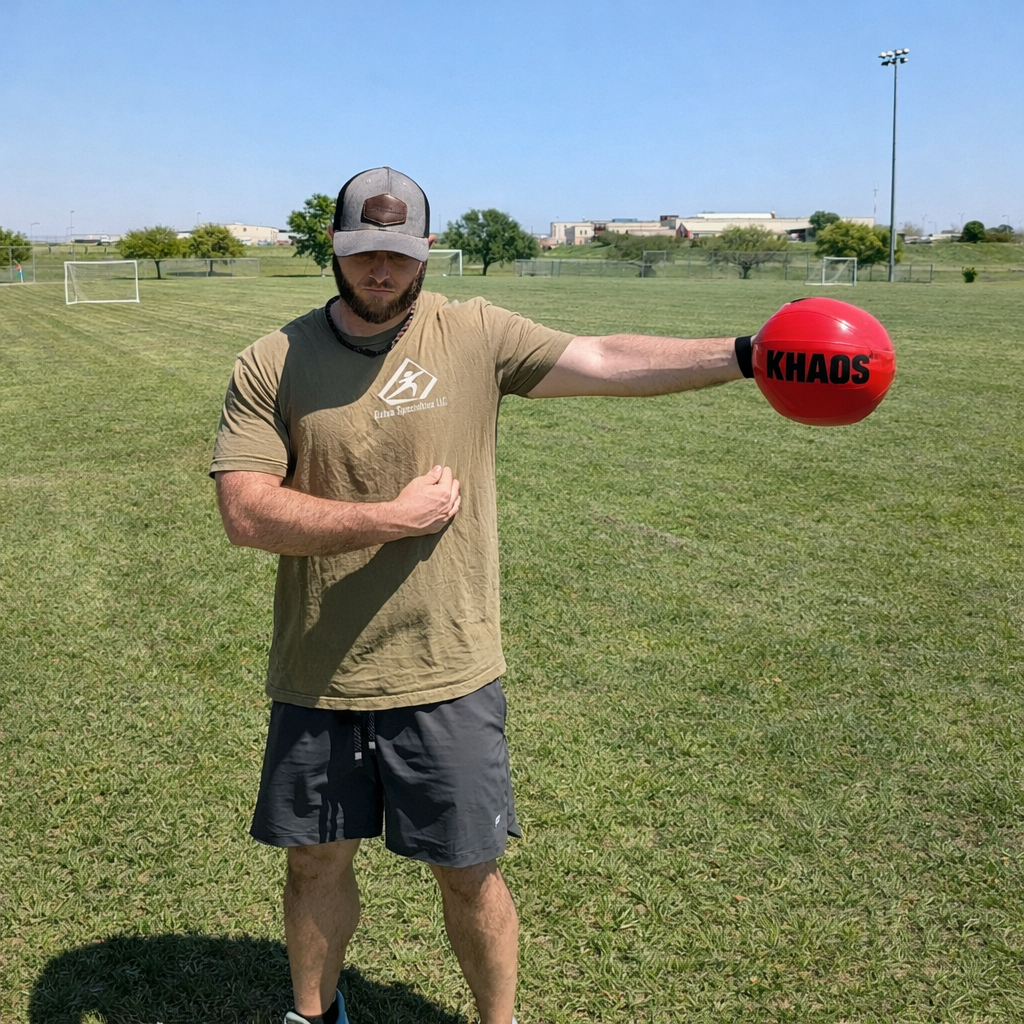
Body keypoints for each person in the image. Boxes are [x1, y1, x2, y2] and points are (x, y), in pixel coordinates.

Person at [211, 167, 755, 1024]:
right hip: (320, 674)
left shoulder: (477, 334)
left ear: (426, 249)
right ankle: (311, 1016)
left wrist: (746, 355)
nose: (379, 271)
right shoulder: (272, 359)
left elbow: (606, 359)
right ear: (336, 251)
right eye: (362, 253)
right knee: (315, 863)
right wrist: (392, 517)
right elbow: (246, 512)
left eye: (396, 252)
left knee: (469, 873)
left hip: (450, 669)